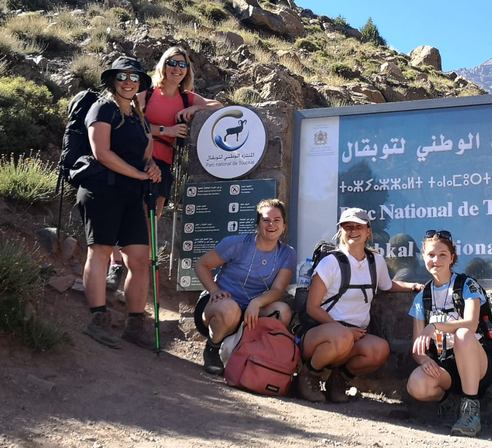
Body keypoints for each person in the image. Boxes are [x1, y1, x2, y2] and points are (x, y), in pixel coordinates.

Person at [105, 47, 223, 291]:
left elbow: (219, 106)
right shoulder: (146, 93)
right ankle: (116, 263)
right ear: (163, 65)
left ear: (187, 70)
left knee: (151, 218)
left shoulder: (187, 98)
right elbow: (127, 117)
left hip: (163, 165)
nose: (177, 68)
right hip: (135, 158)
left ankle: (142, 269)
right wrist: (165, 131)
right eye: (172, 62)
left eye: (182, 64)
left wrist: (196, 109)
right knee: (124, 210)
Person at [78, 56, 162, 349]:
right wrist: (139, 173)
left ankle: (135, 324)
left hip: (130, 193)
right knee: (100, 251)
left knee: (140, 258)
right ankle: (97, 320)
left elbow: (145, 153)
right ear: (113, 80)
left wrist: (151, 167)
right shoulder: (102, 108)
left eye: (134, 77)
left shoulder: (140, 117)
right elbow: (101, 152)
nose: (129, 81)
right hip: (101, 189)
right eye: (123, 76)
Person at [297, 208, 423, 403]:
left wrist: (413, 285)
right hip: (319, 335)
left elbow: (387, 285)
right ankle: (309, 375)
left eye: (358, 226)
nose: (353, 231)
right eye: (347, 227)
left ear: (368, 231)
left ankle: (339, 380)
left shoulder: (376, 261)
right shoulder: (330, 262)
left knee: (379, 350)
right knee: (343, 337)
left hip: (353, 336)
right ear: (340, 231)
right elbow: (312, 307)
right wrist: (341, 330)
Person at [406, 230, 492, 437]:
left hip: (478, 361)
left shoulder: (466, 285)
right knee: (416, 385)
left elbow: (471, 324)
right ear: (423, 257)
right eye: (430, 255)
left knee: (463, 334)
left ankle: (470, 410)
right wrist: (423, 360)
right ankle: (448, 401)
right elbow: (417, 346)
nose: (436, 260)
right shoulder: (423, 297)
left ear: (452, 258)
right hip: (446, 364)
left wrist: (436, 326)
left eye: (442, 255)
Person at [194, 199, 296, 375]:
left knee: (283, 311)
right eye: (266, 220)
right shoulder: (237, 243)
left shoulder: (288, 253)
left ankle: (252, 356)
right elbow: (201, 265)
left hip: (251, 311)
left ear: (284, 226)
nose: (271, 224)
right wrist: (214, 290)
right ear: (257, 224)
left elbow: (277, 290)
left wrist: (256, 303)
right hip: (219, 305)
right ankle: (212, 348)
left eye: (277, 220)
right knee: (229, 308)